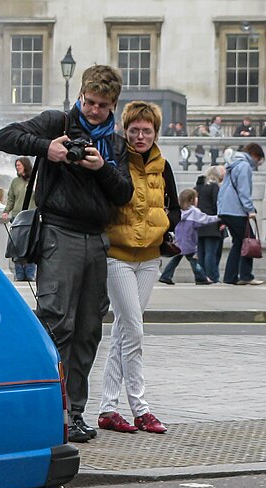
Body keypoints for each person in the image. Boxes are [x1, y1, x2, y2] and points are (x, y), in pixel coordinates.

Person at [0, 64, 133, 443]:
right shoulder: (58, 122)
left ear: (113, 105)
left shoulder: (115, 144)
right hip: (59, 233)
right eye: (90, 102)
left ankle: (75, 413)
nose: (94, 110)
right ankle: (47, 410)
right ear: (81, 96)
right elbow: (4, 137)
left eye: (102, 105)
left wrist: (101, 167)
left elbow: (124, 194)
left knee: (88, 330)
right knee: (56, 324)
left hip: (97, 239)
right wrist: (48, 148)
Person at [96, 101, 178, 436]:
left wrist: (165, 225)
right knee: (134, 330)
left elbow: (174, 206)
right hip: (117, 255)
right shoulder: (116, 160)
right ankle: (141, 409)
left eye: (146, 131)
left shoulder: (163, 165)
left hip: (150, 257)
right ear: (124, 130)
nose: (140, 136)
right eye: (134, 131)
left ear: (156, 132)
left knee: (123, 331)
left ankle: (107, 408)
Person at [219, 142, 265, 285]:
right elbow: (243, 190)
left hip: (225, 210)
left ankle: (230, 277)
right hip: (235, 210)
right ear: (255, 155)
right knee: (249, 239)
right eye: (259, 159)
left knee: (238, 243)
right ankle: (246, 275)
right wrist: (249, 209)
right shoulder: (244, 166)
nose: (258, 163)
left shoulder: (233, 165)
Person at [159, 188, 217, 286]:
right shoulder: (194, 212)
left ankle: (166, 276)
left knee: (175, 260)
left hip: (178, 242)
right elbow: (205, 219)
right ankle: (201, 278)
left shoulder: (178, 211)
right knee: (194, 261)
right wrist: (219, 217)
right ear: (192, 200)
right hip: (189, 242)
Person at [3, 157, 37, 281]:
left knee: (30, 246)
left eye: (19, 165)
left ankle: (30, 274)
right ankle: (19, 274)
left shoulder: (34, 181)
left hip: (31, 217)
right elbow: (11, 198)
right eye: (16, 165)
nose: (17, 167)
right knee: (17, 247)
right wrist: (6, 211)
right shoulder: (15, 182)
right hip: (17, 217)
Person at [196, 166, 226, 282]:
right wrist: (222, 221)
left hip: (199, 223)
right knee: (211, 253)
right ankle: (212, 276)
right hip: (212, 224)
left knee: (201, 253)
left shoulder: (198, 187)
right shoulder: (214, 187)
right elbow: (217, 205)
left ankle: (201, 277)